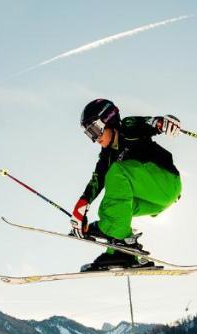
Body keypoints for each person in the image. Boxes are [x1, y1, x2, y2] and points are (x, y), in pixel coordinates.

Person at [72, 99, 183, 272]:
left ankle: (117, 237)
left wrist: (161, 123)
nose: (94, 138)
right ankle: (120, 253)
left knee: (117, 172)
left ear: (107, 120)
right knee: (114, 208)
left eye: (93, 130)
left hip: (166, 182)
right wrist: (82, 205)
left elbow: (147, 124)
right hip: (154, 201)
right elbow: (97, 179)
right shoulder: (106, 157)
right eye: (89, 134)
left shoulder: (126, 128)